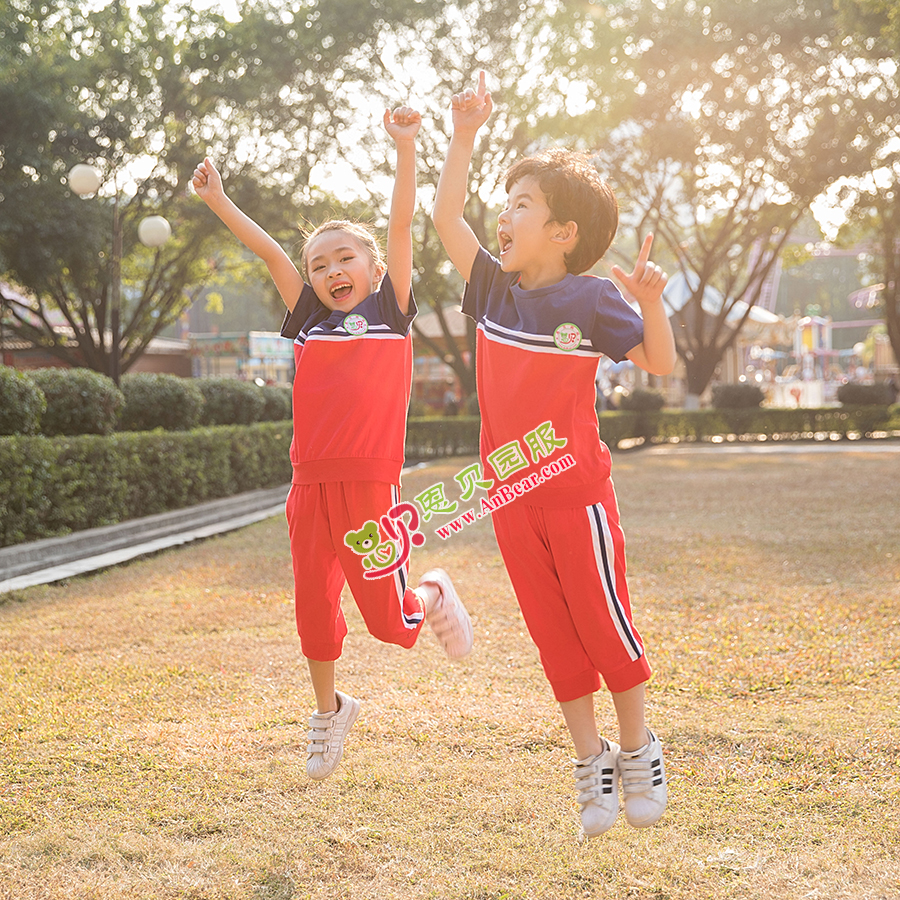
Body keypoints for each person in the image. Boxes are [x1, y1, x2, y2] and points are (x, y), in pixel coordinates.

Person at [192, 105, 473, 782]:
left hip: (370, 484)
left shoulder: (391, 308)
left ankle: (431, 593)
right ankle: (329, 710)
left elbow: (402, 222)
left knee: (390, 626)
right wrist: (219, 200)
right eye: (321, 264)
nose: (330, 269)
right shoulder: (311, 320)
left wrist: (405, 147)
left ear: (374, 269)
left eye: (345, 257)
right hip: (309, 483)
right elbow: (272, 254)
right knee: (313, 611)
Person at [432, 72, 676, 838]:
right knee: (554, 637)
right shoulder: (491, 291)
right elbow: (445, 215)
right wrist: (464, 133)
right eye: (504, 206)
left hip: (577, 496)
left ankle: (638, 750)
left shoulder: (593, 301)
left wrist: (652, 304)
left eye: (522, 206)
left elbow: (662, 366)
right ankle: (589, 766)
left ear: (563, 232)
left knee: (604, 628)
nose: (502, 218)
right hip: (512, 501)